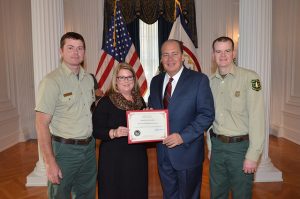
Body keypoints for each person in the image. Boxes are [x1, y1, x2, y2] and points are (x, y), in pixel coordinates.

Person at [148, 39, 215, 199]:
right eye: (165, 55)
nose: (170, 59)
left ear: (182, 56)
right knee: (169, 195)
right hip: (163, 153)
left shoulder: (199, 80)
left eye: (174, 54)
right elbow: (153, 107)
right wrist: (148, 115)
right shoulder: (155, 81)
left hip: (187, 152)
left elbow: (207, 114)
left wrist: (182, 137)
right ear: (161, 58)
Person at [35, 32, 96, 199]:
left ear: (84, 52)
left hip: (89, 148)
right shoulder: (51, 81)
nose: (76, 53)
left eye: (80, 48)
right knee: (59, 195)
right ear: (61, 52)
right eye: (70, 48)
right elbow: (41, 124)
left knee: (86, 194)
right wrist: (49, 162)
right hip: (65, 151)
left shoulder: (88, 79)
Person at [208, 36, 265, 199]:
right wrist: (211, 147)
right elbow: (209, 119)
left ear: (234, 53)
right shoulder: (209, 82)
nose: (223, 55)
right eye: (218, 51)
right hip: (217, 147)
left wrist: (253, 155)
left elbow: (257, 118)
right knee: (217, 194)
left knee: (242, 194)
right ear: (213, 55)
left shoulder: (251, 78)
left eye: (227, 51)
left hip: (240, 149)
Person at [92, 62, 148, 199]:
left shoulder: (140, 101)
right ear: (115, 81)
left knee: (137, 190)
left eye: (129, 77)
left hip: (137, 157)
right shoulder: (106, 102)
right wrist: (113, 132)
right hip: (114, 160)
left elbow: (144, 129)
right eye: (122, 77)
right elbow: (96, 130)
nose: (126, 81)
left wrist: (148, 116)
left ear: (134, 80)